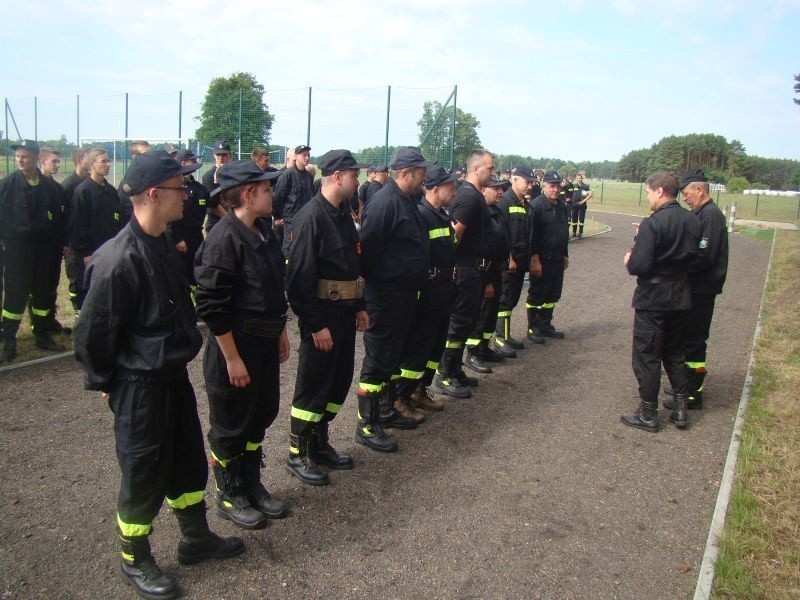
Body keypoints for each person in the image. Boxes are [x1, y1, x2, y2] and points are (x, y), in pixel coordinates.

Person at [74, 151, 244, 600]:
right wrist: (107, 382)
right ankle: (135, 555)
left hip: (171, 377)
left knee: (187, 459)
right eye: (179, 188)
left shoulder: (162, 242)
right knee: (144, 469)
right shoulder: (119, 258)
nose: (187, 195)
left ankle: (195, 537)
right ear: (153, 194)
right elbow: (93, 335)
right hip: (139, 385)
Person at [194, 160, 290, 529]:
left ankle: (251, 483)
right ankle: (229, 492)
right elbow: (212, 307)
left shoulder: (263, 231)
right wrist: (231, 358)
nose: (272, 194)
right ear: (248, 194)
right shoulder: (223, 239)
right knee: (231, 424)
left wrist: (280, 330)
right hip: (236, 349)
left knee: (259, 416)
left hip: (263, 345)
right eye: (267, 189)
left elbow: (272, 289)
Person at [284, 149, 369, 485]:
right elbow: (299, 281)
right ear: (337, 177)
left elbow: (352, 266)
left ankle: (319, 444)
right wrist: (316, 324)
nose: (357, 180)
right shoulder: (311, 218)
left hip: (344, 315)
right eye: (353, 174)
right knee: (312, 386)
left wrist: (360, 305)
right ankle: (297, 452)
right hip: (322, 319)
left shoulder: (342, 214)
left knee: (337, 383)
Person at [354, 146, 433, 452]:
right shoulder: (384, 203)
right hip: (384, 296)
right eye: (420, 171)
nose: (424, 176)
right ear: (404, 173)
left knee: (392, 358)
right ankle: (367, 424)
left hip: (403, 295)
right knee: (377, 360)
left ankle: (385, 410)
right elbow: (367, 253)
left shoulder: (407, 201)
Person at [620, 170, 700, 433]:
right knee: (675, 351)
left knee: (647, 355)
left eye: (647, 192)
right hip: (680, 294)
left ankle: (648, 412)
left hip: (654, 297)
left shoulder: (652, 223)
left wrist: (629, 259)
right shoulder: (692, 220)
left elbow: (639, 265)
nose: (647, 198)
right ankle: (679, 408)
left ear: (659, 191)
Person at [393, 165, 459, 415]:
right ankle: (401, 396)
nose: (454, 190)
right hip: (428, 293)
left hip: (444, 293)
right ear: (434, 188)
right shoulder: (421, 215)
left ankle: (420, 389)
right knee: (417, 349)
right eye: (449, 186)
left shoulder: (441, 215)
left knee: (434, 348)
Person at [431, 149, 495, 398]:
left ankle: (455, 369)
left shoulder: (474, 195)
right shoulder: (468, 197)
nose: (493, 172)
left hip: (474, 271)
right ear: (476, 169)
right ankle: (444, 374)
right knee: (457, 325)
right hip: (466, 271)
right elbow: (454, 235)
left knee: (466, 323)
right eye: (490, 168)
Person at [663, 169, 729, 411]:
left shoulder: (710, 216)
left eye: (686, 192)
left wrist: (676, 265)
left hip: (701, 288)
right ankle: (685, 383)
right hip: (694, 287)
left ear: (699, 190)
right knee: (685, 339)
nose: (685, 198)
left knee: (694, 341)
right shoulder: (701, 213)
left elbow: (704, 255)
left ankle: (693, 392)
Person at [0, 140, 67, 362]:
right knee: (15, 295)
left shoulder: (51, 188)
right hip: (18, 250)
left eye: (25, 156)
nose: (20, 160)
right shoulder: (7, 185)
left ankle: (42, 334)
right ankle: (8, 338)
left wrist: (60, 243)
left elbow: (59, 219)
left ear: (36, 158)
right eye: (17, 156)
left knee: (42, 293)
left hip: (44, 251)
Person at [464, 175, 511, 372]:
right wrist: (487, 280)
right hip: (485, 271)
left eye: (501, 188)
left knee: (490, 314)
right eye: (495, 188)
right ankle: (473, 353)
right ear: (483, 190)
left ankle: (484, 347)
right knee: (481, 313)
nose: (500, 192)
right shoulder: (482, 214)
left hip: (497, 269)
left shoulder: (497, 211)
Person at [69, 148, 124, 312]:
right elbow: (77, 224)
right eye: (103, 161)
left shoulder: (111, 191)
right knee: (91, 292)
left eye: (109, 161)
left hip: (110, 251)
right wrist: (86, 252)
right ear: (92, 165)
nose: (108, 165)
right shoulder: (83, 191)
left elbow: (118, 220)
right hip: (91, 254)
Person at [526, 170, 570, 343]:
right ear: (543, 186)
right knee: (537, 294)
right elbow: (532, 235)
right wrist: (534, 259)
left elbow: (563, 232)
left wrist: (565, 254)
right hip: (542, 259)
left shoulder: (560, 206)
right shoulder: (537, 206)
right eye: (552, 185)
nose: (555, 189)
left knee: (552, 295)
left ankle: (545, 325)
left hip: (557, 258)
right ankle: (533, 328)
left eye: (558, 185)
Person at [493, 167, 534, 354]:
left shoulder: (522, 203)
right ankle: (500, 338)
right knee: (504, 299)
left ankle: (507, 334)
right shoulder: (505, 202)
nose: (530, 186)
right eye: (527, 182)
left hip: (520, 261)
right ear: (515, 180)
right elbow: (502, 234)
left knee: (512, 299)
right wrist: (509, 258)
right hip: (509, 263)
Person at [169, 149, 209, 286]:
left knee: (197, 270)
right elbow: (170, 216)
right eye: (193, 160)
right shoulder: (174, 188)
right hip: (181, 237)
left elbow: (213, 205)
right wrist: (177, 238)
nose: (196, 163)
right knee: (181, 274)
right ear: (183, 163)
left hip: (196, 235)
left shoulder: (200, 188)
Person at [61, 148, 91, 317]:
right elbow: (64, 218)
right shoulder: (68, 185)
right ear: (80, 160)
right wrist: (65, 242)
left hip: (88, 241)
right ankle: (77, 311)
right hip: (73, 243)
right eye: (89, 157)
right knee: (76, 279)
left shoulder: (89, 182)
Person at [273, 144, 315, 256]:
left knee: (304, 249)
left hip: (305, 221)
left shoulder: (309, 177)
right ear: (296, 156)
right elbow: (278, 198)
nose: (306, 158)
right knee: (289, 250)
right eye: (304, 155)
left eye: (308, 155)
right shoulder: (287, 175)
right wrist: (278, 217)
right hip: (290, 221)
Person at [200, 140, 232, 233]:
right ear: (214, 155)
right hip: (217, 222)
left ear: (229, 155)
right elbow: (213, 205)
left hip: (234, 219)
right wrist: (231, 220)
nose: (221, 158)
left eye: (224, 155)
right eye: (218, 155)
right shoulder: (209, 176)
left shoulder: (234, 174)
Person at [118, 140, 151, 226]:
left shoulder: (149, 176)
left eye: (150, 155)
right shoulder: (128, 182)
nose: (150, 158)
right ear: (134, 156)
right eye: (145, 155)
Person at [570, 171, 593, 239]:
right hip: (574, 205)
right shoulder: (574, 186)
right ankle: (574, 232)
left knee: (581, 219)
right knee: (574, 219)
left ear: (582, 178)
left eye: (579, 178)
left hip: (582, 205)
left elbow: (590, 194)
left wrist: (583, 201)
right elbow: (570, 193)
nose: (578, 179)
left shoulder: (585, 186)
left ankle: (580, 233)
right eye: (577, 178)